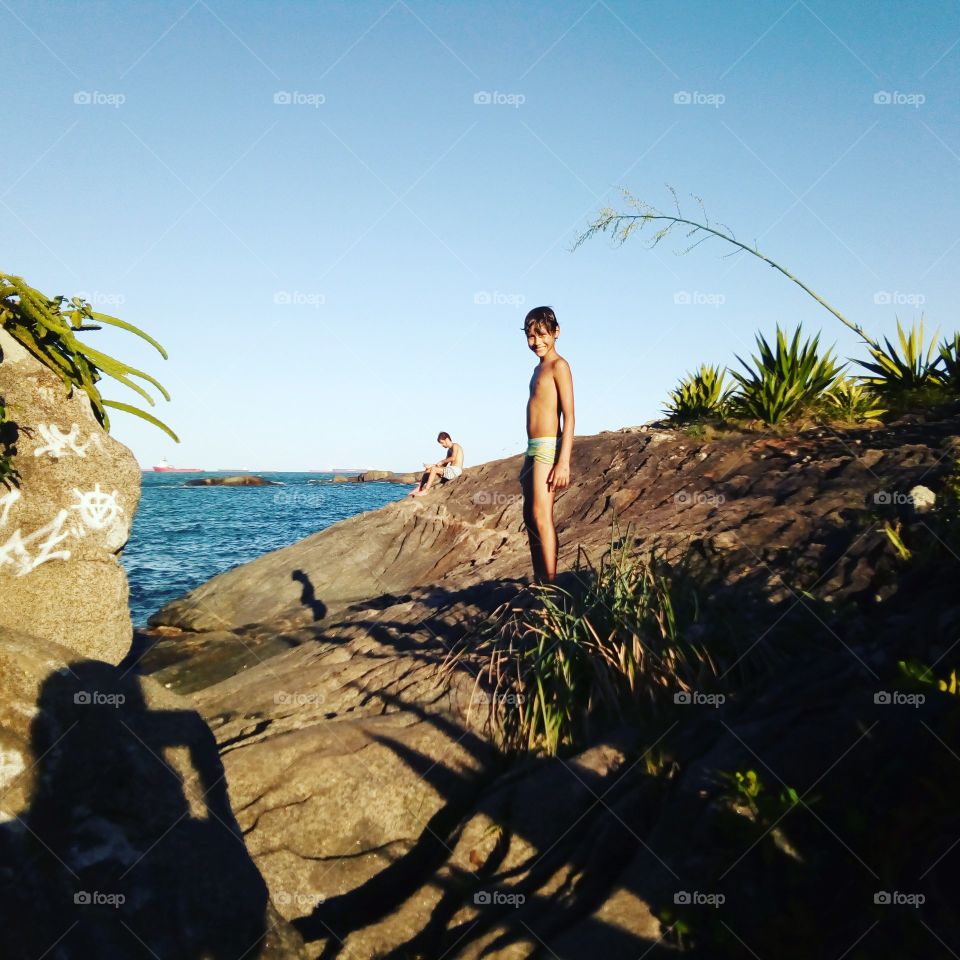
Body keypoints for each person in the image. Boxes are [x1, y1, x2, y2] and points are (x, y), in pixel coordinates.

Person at [520, 306, 574, 583]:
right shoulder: (536, 369)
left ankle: (550, 586)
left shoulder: (559, 366)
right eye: (530, 336)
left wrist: (563, 461)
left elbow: (570, 416)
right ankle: (540, 578)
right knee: (529, 516)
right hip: (532, 449)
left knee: (542, 515)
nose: (537, 341)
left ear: (556, 332)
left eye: (542, 334)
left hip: (548, 448)